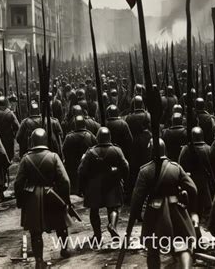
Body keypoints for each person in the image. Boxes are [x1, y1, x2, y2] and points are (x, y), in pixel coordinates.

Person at [129, 138, 198, 269]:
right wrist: (190, 207)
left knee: (153, 249)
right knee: (183, 245)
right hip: (176, 211)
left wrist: (135, 216)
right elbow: (193, 189)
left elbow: (137, 198)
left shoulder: (145, 171)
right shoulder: (175, 168)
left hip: (154, 213)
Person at [14, 128, 72, 268]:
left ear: (32, 142)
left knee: (35, 231)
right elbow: (65, 180)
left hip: (33, 197)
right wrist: (65, 199)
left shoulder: (26, 159)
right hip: (52, 194)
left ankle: (39, 261)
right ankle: (64, 249)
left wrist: (20, 201)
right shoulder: (53, 157)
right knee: (60, 223)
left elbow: (18, 183)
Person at [78, 127, 129, 244]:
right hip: (112, 183)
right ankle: (112, 226)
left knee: (94, 211)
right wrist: (123, 178)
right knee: (113, 207)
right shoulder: (116, 150)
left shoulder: (90, 152)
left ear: (98, 138)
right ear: (109, 137)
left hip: (94, 185)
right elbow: (125, 166)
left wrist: (83, 186)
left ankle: (97, 235)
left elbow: (81, 170)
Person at [178, 126, 215, 220]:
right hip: (205, 183)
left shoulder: (186, 149)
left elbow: (180, 165)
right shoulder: (209, 149)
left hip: (190, 181)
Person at [62, 115, 97, 195]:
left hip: (73, 165)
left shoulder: (69, 136)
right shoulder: (90, 135)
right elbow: (96, 146)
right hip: (87, 164)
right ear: (84, 124)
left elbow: (64, 150)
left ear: (75, 125)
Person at [0, 95, 20, 161]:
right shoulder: (10, 113)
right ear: (6, 103)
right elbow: (17, 126)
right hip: (8, 140)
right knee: (9, 157)